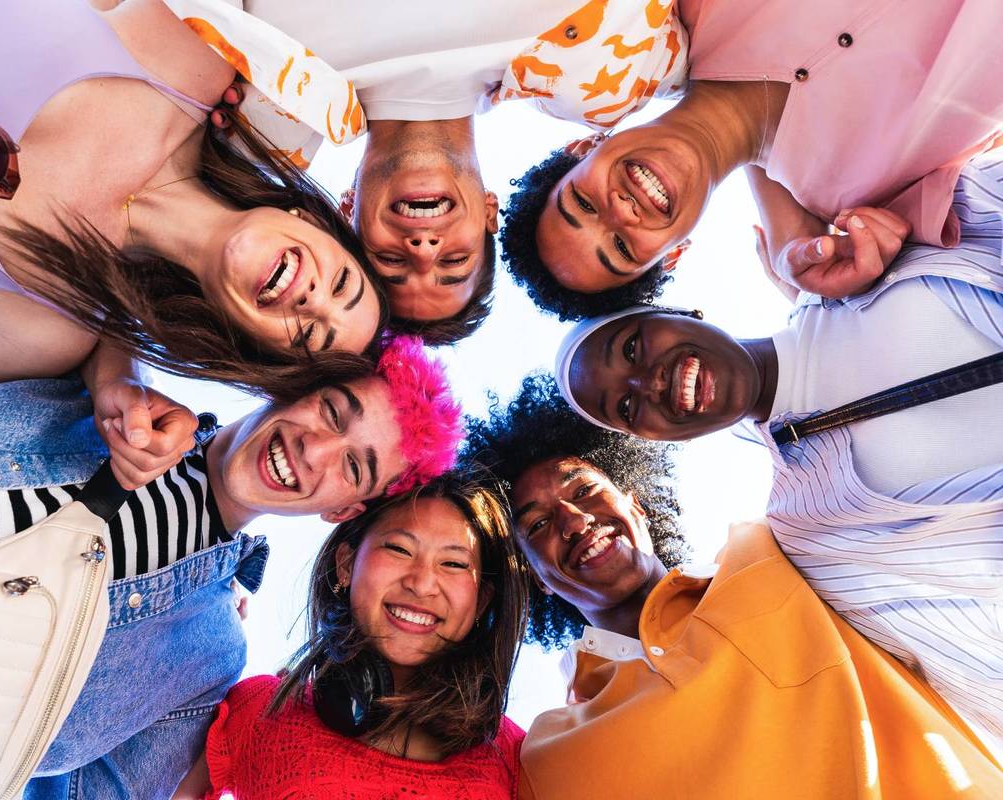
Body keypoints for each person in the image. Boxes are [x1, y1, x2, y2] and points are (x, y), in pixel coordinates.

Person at [0, 325, 463, 800]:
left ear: (345, 512)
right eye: (330, 410)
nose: (314, 451)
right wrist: (116, 368)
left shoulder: (207, 656)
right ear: (295, 384)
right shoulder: (101, 379)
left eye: (354, 465)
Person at [553, 151, 1003, 741]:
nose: (649, 383)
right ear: (654, 439)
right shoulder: (814, 534)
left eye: (633, 349)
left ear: (677, 310)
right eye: (627, 410)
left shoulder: (868, 250)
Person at [0, 0, 388, 413]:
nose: (314, 303)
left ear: (252, 346)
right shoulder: (195, 57)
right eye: (342, 285)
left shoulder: (44, 323)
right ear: (311, 221)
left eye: (310, 337)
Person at [461, 374, 1003, 798]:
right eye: (536, 525)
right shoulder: (552, 753)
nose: (574, 520)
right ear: (536, 579)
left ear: (637, 506)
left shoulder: (773, 551)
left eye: (584, 488)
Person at [169, 0, 687, 343]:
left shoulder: (263, 113)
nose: (422, 249)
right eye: (454, 261)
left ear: (346, 212)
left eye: (390, 262)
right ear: (490, 210)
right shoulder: (605, 78)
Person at [501, 0, 1003, 320]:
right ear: (673, 254)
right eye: (622, 248)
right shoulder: (872, 202)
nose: (621, 213)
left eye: (583, 204)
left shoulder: (689, 9)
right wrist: (816, 300)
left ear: (583, 147)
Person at [172, 472, 528, 799]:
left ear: (481, 601)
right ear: (345, 564)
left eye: (453, 564)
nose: (421, 584)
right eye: (399, 549)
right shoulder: (261, 707)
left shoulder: (518, 758)